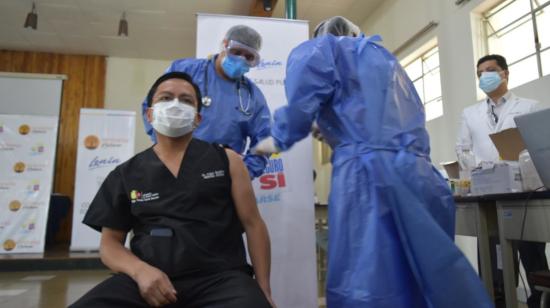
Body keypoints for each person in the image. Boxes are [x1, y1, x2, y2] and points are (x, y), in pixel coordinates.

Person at [253, 16, 492, 308]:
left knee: (370, 277)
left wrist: (278, 138)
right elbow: (386, 121)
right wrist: (335, 129)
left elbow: (303, 104)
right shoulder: (386, 61)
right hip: (420, 175)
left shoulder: (324, 50)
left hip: (367, 178)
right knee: (427, 273)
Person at [71, 72, 274, 308]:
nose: (176, 105)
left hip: (221, 280)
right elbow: (109, 245)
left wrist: (264, 289)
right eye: (166, 98)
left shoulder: (228, 161)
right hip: (148, 280)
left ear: (198, 118)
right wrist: (139, 271)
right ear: (149, 113)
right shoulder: (125, 174)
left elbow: (253, 224)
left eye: (186, 100)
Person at [457, 54, 547, 308]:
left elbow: (539, 146)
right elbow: (462, 149)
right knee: (494, 262)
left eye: (490, 70)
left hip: (523, 195)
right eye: (480, 73)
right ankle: (496, 300)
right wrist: (484, 170)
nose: (485, 76)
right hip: (488, 197)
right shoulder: (470, 113)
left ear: (505, 73)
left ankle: (539, 301)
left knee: (533, 258)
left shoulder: (530, 106)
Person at [141, 25, 271, 179]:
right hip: (174, 167)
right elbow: (151, 107)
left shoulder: (252, 95)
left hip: (221, 176)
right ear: (224, 45)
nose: (240, 59)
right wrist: (166, 148)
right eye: (236, 52)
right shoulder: (185, 70)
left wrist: (243, 173)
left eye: (248, 57)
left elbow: (265, 139)